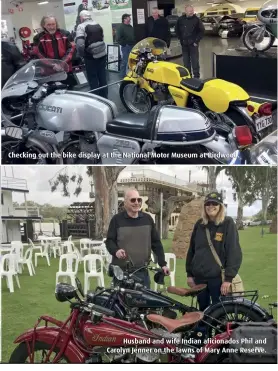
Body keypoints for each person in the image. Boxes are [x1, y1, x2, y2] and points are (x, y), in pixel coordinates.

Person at [186, 191, 242, 311]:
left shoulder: (227, 223)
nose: (211, 206)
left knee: (219, 312)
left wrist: (228, 279)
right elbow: (192, 250)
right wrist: (189, 274)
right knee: (202, 312)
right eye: (208, 204)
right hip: (199, 278)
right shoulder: (199, 224)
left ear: (220, 206)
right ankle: (203, 330)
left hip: (218, 278)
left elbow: (234, 251)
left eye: (214, 204)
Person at [105, 188, 170, 288]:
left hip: (142, 272)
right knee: (121, 303)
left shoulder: (147, 219)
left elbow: (156, 243)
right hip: (121, 273)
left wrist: (163, 264)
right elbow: (109, 241)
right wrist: (116, 251)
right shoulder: (116, 220)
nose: (136, 203)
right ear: (125, 202)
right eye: (133, 200)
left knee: (143, 302)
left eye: (139, 200)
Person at [33, 16, 76, 89]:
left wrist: (62, 64)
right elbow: (39, 54)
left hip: (65, 70)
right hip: (48, 73)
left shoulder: (65, 34)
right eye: (48, 25)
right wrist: (52, 65)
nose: (51, 27)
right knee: (52, 94)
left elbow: (71, 49)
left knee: (70, 92)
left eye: (53, 24)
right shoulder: (38, 38)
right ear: (43, 25)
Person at [75, 10, 108, 99]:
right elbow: (102, 38)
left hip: (90, 57)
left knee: (93, 78)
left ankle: (96, 99)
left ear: (81, 17)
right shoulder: (98, 24)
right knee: (102, 77)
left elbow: (80, 44)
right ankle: (105, 97)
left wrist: (82, 55)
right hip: (102, 54)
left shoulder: (81, 26)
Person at [175, 5, 205, 78]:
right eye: (189, 11)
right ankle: (188, 76)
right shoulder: (180, 19)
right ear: (185, 11)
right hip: (184, 44)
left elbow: (202, 31)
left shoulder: (197, 20)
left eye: (192, 10)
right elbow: (177, 30)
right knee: (186, 62)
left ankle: (196, 77)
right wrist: (180, 39)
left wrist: (196, 41)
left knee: (195, 62)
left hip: (193, 45)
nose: (191, 12)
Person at [116, 14, 136, 79]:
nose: (130, 19)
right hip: (126, 47)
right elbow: (118, 39)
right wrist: (124, 44)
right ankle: (122, 76)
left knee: (132, 61)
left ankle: (132, 74)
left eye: (129, 18)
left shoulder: (130, 26)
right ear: (124, 19)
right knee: (124, 61)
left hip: (132, 46)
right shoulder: (120, 27)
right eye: (128, 18)